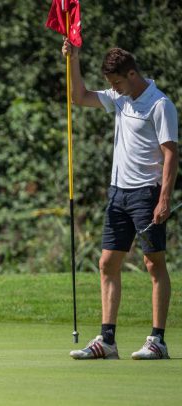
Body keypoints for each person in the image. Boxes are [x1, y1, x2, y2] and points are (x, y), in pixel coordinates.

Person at [62, 39, 178, 360]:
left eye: (116, 82)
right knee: (107, 263)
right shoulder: (121, 98)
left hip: (147, 193)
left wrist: (164, 198)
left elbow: (171, 154)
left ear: (131, 74)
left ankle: (157, 341)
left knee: (153, 263)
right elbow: (79, 96)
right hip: (118, 194)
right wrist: (74, 59)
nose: (113, 88)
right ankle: (107, 341)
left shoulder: (160, 105)